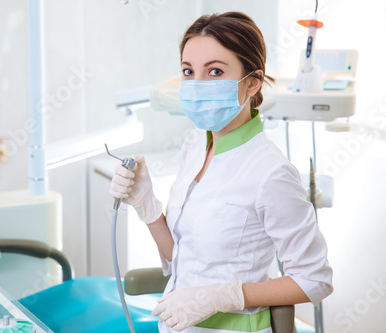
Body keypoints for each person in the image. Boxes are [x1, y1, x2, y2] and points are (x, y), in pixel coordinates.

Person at [110, 11, 333, 333]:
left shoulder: (271, 172)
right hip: (176, 324)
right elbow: (184, 257)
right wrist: (148, 207)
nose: (197, 84)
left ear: (252, 82)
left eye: (215, 71)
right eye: (189, 71)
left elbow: (315, 280)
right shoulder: (195, 143)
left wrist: (227, 295)